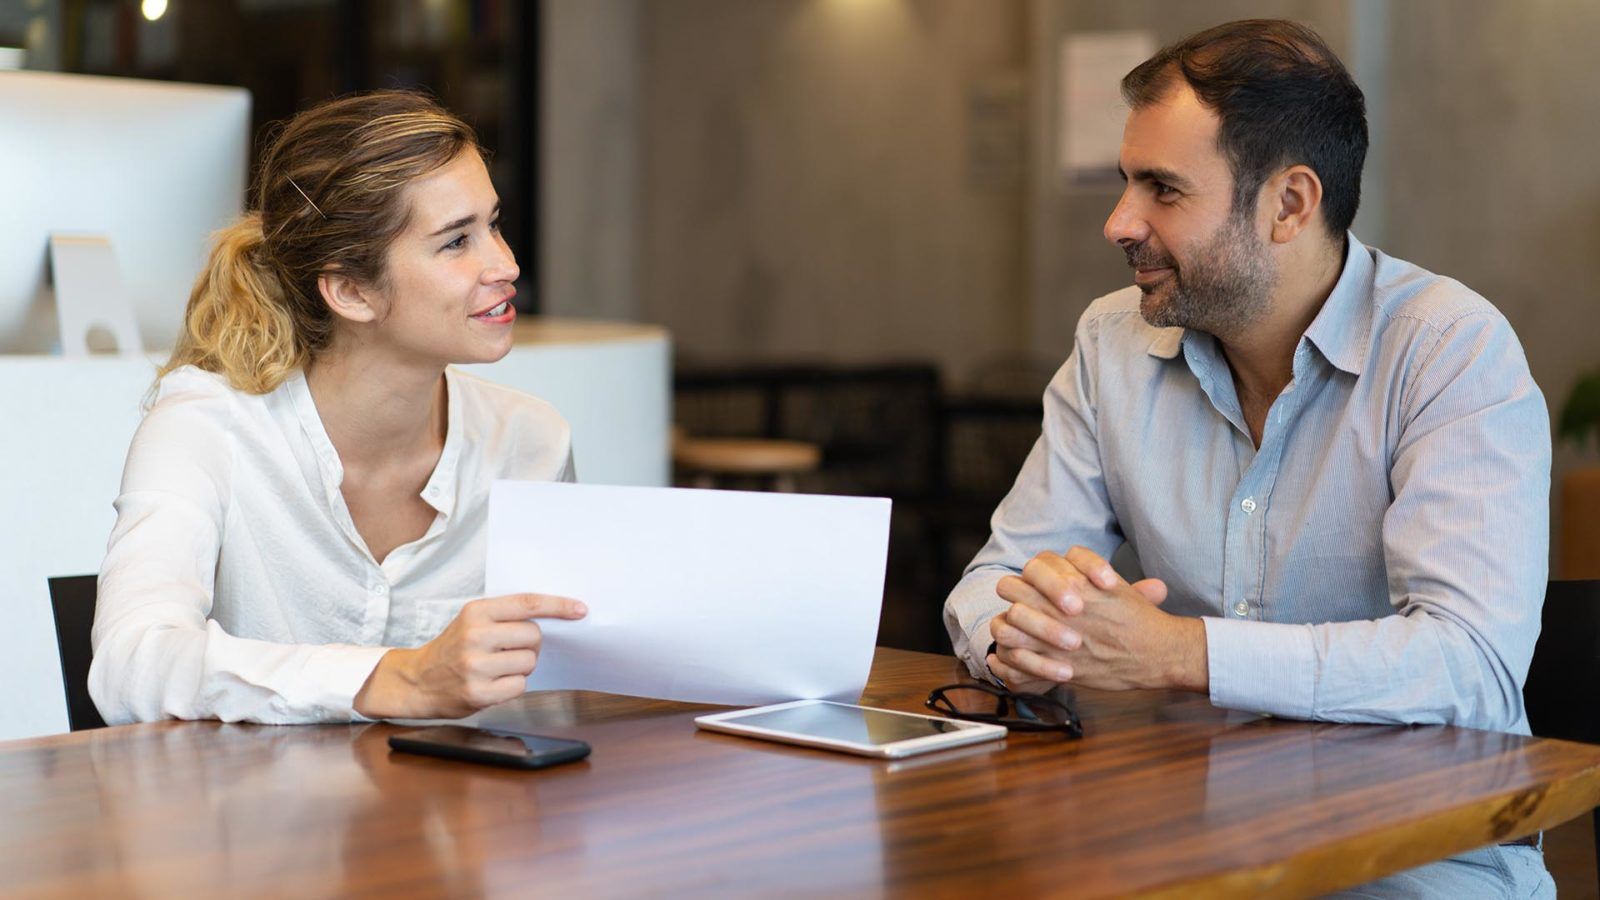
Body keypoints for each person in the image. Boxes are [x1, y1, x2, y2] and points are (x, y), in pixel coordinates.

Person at [942, 20, 1553, 896]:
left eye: (1163, 189)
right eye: (1126, 182)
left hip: (1414, 853)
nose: (1120, 222)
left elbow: (1469, 663)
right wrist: (1024, 639)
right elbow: (993, 578)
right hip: (1172, 833)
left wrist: (1179, 655)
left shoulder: (1449, 349)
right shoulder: (1109, 343)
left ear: (1289, 206)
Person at [89, 91, 586, 725]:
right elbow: (131, 663)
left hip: (467, 817)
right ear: (351, 291)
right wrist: (392, 677)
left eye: (494, 224)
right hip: (261, 818)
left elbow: (561, 696)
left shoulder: (532, 441)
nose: (506, 264)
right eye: (457, 242)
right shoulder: (205, 428)